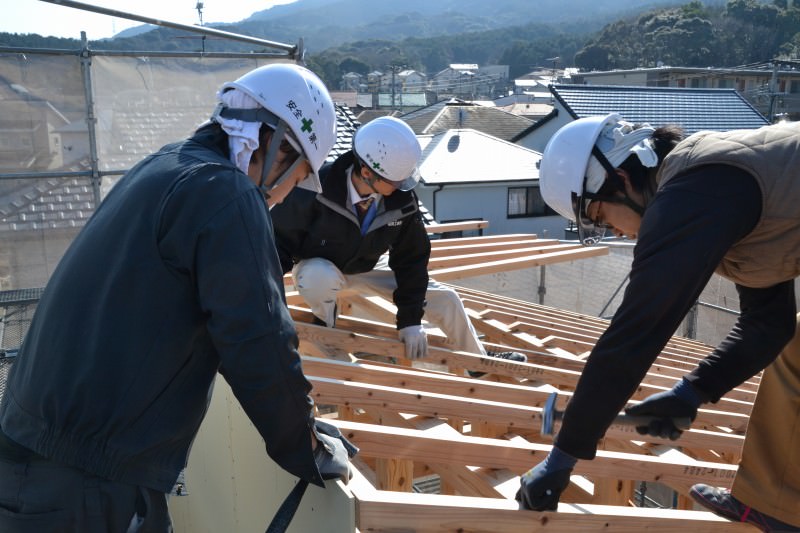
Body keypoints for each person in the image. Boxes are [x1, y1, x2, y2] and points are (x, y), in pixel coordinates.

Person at [0, 63, 352, 532]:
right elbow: (258, 339)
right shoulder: (226, 195)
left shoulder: (166, 166)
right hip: (89, 483)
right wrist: (306, 446)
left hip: (30, 457)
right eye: (298, 175)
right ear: (274, 147)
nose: (287, 195)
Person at [515, 113, 800, 532]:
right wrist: (691, 393)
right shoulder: (711, 185)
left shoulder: (691, 193)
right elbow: (768, 326)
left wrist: (563, 457)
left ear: (623, 180)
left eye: (599, 215)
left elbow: (634, 335)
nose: (614, 230)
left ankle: (781, 512)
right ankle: (779, 507)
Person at [270, 116, 526, 374]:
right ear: (367, 172)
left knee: (448, 300)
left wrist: (410, 321)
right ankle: (325, 324)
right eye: (394, 182)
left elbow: (411, 260)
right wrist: (267, 298)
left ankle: (477, 362)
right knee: (316, 277)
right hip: (322, 264)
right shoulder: (317, 188)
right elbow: (279, 243)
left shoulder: (401, 200)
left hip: (368, 263)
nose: (401, 187)